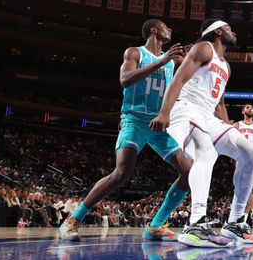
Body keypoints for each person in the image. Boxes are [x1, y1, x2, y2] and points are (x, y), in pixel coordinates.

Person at [58, 19, 187, 241]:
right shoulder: (135, 52)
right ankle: (73, 220)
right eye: (165, 26)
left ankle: (156, 225)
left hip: (159, 123)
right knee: (122, 173)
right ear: (154, 30)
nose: (170, 29)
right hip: (134, 120)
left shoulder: (172, 62)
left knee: (189, 172)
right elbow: (125, 80)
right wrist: (162, 61)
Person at [150, 19, 238, 248]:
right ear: (217, 31)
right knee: (205, 155)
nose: (233, 32)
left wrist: (227, 128)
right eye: (228, 28)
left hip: (203, 116)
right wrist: (164, 112)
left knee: (196, 166)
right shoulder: (204, 48)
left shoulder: (226, 66)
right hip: (183, 109)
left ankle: (184, 224)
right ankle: (196, 224)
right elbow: (178, 79)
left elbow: (219, 104)